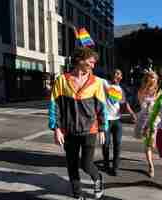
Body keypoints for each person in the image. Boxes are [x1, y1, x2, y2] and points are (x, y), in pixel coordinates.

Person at [48, 47, 108, 200]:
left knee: (86, 164)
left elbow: (101, 107)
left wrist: (102, 128)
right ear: (80, 60)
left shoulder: (96, 82)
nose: (93, 66)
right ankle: (77, 195)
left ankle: (98, 179)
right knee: (72, 164)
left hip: (90, 130)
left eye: (94, 63)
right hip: (69, 131)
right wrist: (56, 129)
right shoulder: (62, 80)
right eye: (90, 63)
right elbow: (54, 105)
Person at [102, 69, 137, 176]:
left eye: (118, 74)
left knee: (117, 144)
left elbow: (124, 104)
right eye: (115, 72)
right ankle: (106, 165)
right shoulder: (104, 83)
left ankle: (115, 167)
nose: (116, 75)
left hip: (117, 120)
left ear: (121, 77)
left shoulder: (121, 90)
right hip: (105, 120)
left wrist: (132, 113)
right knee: (106, 144)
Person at [134, 70, 160, 178]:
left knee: (153, 143)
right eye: (150, 77)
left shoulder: (158, 91)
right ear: (147, 78)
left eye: (154, 78)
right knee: (148, 144)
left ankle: (152, 149)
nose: (152, 79)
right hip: (144, 119)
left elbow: (160, 107)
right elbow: (141, 104)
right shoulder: (141, 90)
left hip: (155, 120)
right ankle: (151, 166)